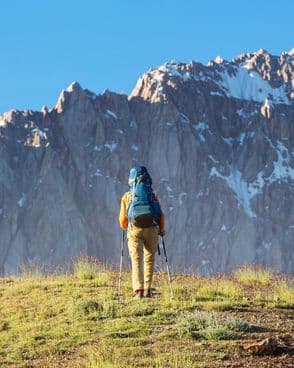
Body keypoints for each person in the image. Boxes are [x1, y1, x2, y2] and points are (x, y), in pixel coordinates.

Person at [119, 166, 165, 299]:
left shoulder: (127, 196)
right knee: (149, 259)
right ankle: (148, 290)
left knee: (137, 259)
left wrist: (126, 226)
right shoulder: (153, 196)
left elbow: (122, 221)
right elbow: (160, 215)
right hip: (152, 229)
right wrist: (161, 230)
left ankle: (139, 291)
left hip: (135, 230)